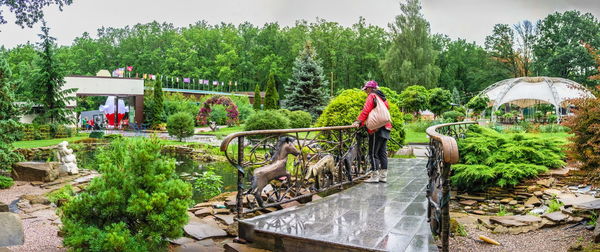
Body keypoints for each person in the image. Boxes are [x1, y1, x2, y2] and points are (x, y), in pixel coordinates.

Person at [352, 80, 392, 183]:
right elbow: (386, 108)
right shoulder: (382, 97)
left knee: (373, 153)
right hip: (386, 127)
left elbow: (366, 110)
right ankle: (383, 176)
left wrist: (358, 121)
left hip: (376, 128)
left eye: (366, 89)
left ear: (370, 88)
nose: (365, 91)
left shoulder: (372, 96)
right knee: (382, 153)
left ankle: (375, 176)